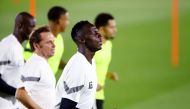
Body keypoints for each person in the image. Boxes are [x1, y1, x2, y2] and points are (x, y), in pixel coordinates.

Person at [56, 21, 102, 109]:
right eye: (95, 33)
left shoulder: (90, 62)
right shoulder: (78, 67)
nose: (100, 36)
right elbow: (66, 107)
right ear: (81, 39)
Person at [0, 12, 35, 108]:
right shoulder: (7, 46)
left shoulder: (17, 47)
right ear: (20, 25)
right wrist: (17, 92)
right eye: (31, 27)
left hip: (14, 104)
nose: (33, 31)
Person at [16, 26, 56, 109]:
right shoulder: (36, 64)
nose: (54, 45)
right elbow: (20, 94)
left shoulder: (41, 63)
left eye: (53, 41)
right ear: (36, 46)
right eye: (49, 42)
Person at [24, 6, 69, 75]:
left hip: (48, 81)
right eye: (66, 20)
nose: (68, 23)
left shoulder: (59, 38)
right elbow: (25, 59)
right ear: (59, 21)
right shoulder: (39, 37)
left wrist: (68, 68)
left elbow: (56, 58)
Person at [94, 13, 119, 109]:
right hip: (86, 96)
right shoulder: (90, 47)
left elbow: (97, 67)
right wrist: (91, 85)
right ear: (101, 29)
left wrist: (108, 74)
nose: (115, 30)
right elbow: (77, 70)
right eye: (111, 27)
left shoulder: (108, 44)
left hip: (99, 96)